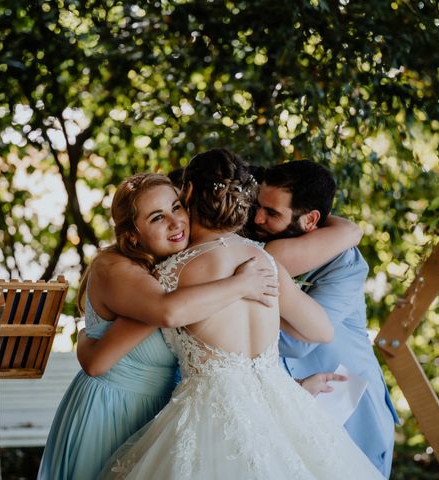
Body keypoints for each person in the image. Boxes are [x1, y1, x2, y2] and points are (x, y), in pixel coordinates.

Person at [99, 148, 383, 479]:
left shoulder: (169, 275)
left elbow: (117, 348)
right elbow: (321, 330)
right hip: (277, 408)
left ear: (187, 192)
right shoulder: (266, 261)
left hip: (208, 416)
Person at [37, 173, 279, 480]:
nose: (175, 222)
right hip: (112, 411)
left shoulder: (170, 267)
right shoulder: (123, 270)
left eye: (176, 207)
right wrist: (240, 284)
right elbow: (106, 356)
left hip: (158, 409)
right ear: (134, 235)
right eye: (156, 217)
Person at [249, 159, 400, 478]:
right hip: (287, 404)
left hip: (348, 405)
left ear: (310, 220)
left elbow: (296, 343)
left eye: (272, 213)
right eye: (258, 207)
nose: (258, 217)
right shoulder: (253, 242)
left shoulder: (344, 262)